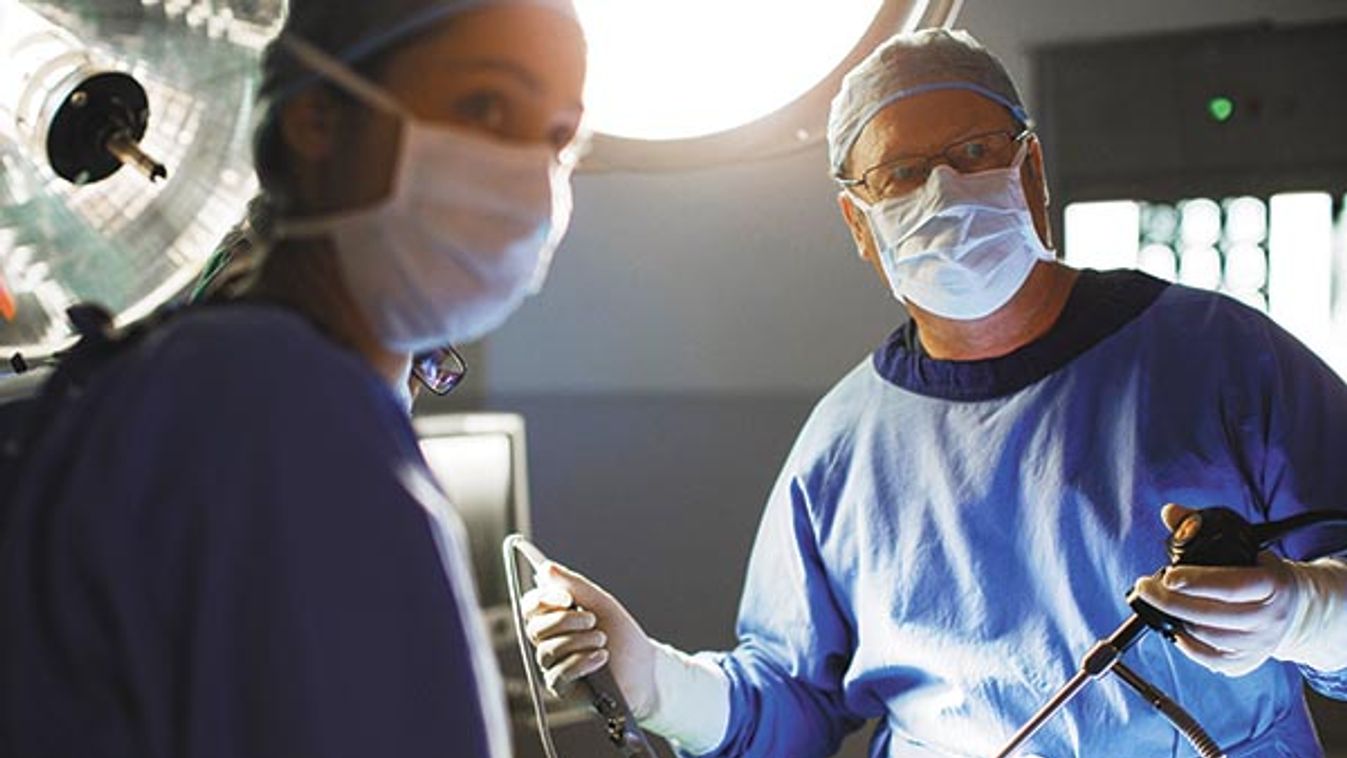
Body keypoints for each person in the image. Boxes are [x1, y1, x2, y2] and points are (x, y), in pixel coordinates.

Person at [523, 28, 1347, 757]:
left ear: (1031, 171)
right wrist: (656, 684)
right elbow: (795, 704)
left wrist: (1306, 612)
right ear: (858, 225)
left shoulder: (1220, 358)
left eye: (975, 154)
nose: (944, 192)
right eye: (903, 174)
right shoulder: (843, 445)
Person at [0, 1, 585, 756]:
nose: (527, 171)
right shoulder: (280, 407)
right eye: (485, 105)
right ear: (317, 119)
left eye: (561, 137)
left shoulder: (177, 390)